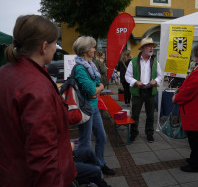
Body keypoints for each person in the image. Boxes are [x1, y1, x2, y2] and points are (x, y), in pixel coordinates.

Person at [0, 15, 76, 187]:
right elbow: (44, 158)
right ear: (43, 47)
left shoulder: (5, 72)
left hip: (11, 172)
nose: (55, 48)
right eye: (54, 43)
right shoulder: (36, 87)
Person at [72, 36, 115, 175]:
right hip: (85, 109)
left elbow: (96, 87)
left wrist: (98, 88)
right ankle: (85, 171)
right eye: (92, 47)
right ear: (85, 50)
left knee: (101, 137)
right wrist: (100, 87)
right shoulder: (80, 68)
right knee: (85, 143)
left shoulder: (90, 65)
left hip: (94, 106)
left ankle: (100, 164)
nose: (95, 49)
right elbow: (92, 90)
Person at [172, 43, 198, 173]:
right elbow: (188, 85)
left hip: (194, 110)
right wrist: (179, 90)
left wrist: (176, 98)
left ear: (197, 55)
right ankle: (195, 158)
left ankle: (196, 164)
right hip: (196, 108)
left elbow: (190, 90)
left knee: (194, 139)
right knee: (195, 138)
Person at [125, 37, 163, 143]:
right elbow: (127, 76)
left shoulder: (155, 61)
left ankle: (149, 134)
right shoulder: (133, 61)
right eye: (149, 46)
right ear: (142, 48)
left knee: (150, 115)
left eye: (152, 46)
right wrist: (136, 82)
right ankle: (133, 133)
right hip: (138, 91)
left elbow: (160, 76)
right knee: (135, 114)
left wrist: (155, 81)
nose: (151, 48)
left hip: (150, 92)